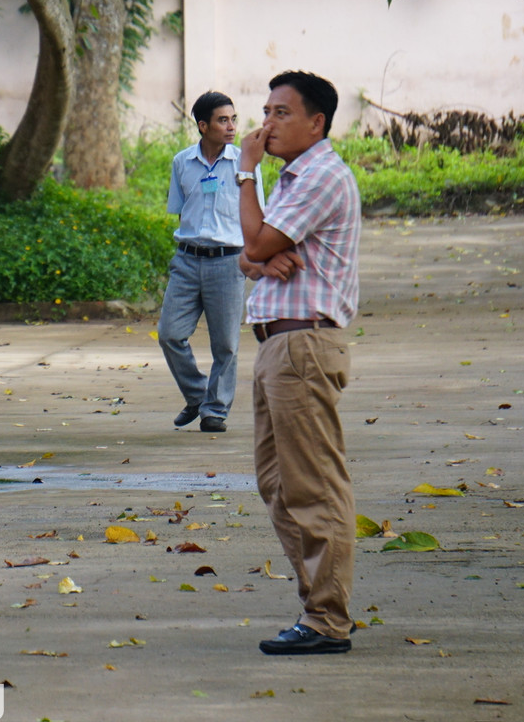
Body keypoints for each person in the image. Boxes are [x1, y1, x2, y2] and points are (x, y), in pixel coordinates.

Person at [236, 70, 361, 656]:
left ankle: (327, 619)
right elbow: (250, 252)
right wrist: (259, 259)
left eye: (281, 113)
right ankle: (318, 607)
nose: (266, 124)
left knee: (314, 486)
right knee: (277, 483)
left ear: (318, 122)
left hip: (303, 345)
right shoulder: (291, 180)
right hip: (277, 345)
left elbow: (258, 242)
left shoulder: (320, 176)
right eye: (265, 111)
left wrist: (244, 175)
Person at [158, 91, 263, 433]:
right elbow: (180, 212)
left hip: (228, 261)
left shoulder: (246, 167)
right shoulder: (182, 162)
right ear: (203, 126)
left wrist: (253, 257)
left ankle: (214, 410)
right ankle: (197, 393)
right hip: (187, 261)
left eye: (233, 118)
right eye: (223, 120)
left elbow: (256, 216)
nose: (231, 126)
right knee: (170, 334)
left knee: (226, 344)